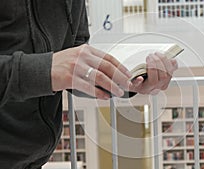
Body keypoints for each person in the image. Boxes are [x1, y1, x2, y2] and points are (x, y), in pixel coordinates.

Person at [0, 1, 178, 169]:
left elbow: (73, 59)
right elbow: (54, 68)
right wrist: (44, 70)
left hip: (31, 161)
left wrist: (125, 80)